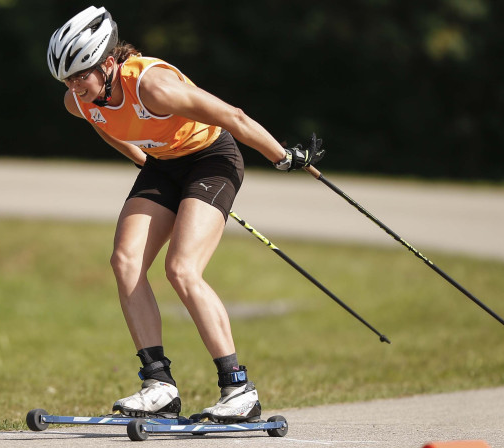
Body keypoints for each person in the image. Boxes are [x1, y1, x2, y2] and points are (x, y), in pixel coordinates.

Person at [46, 6, 324, 422]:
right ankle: (159, 384)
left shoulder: (153, 86)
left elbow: (233, 116)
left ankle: (238, 388)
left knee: (182, 269)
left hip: (211, 159)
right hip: (163, 166)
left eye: (80, 75)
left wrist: (283, 156)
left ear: (107, 63)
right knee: (125, 262)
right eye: (66, 79)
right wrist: (142, 158)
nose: (73, 87)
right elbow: (105, 123)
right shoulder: (78, 101)